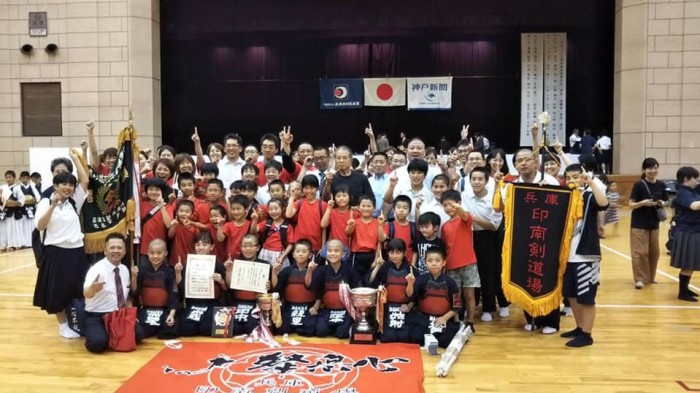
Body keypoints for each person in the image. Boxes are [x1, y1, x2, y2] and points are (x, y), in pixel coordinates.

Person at [33, 150, 90, 339]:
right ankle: (63, 325)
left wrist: (76, 157)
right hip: (56, 252)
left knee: (77, 288)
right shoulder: (44, 202)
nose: (68, 187)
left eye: (70, 184)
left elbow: (85, 180)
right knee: (57, 290)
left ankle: (77, 321)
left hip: (76, 252)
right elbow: (40, 226)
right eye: (63, 184)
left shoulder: (74, 202)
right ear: (55, 185)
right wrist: (52, 206)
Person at [559, 165, 608, 347]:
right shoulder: (566, 197)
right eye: (568, 177)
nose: (572, 181)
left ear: (583, 177)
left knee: (586, 297)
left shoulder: (588, 196)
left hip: (586, 255)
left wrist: (591, 182)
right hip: (568, 256)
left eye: (576, 177)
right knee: (571, 295)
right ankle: (580, 328)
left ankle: (587, 335)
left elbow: (603, 204)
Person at [82, 233, 145, 353]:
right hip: (97, 315)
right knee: (97, 344)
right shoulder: (96, 269)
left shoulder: (124, 270)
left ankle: (110, 333)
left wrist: (131, 317)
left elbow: (126, 298)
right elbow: (86, 294)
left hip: (118, 315)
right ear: (105, 250)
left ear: (125, 250)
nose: (116, 251)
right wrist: (93, 289)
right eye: (112, 248)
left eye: (119, 248)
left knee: (139, 335)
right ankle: (99, 331)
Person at [463, 167, 503, 322]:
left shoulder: (493, 198)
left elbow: (494, 225)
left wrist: (475, 219)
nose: (477, 182)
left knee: (488, 273)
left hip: (488, 238)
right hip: (469, 237)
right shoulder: (464, 196)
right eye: (474, 179)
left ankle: (488, 308)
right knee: (470, 273)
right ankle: (469, 307)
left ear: (487, 182)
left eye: (480, 179)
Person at [406, 246, 461, 348]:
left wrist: (445, 318)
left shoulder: (451, 282)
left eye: (437, 260)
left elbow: (457, 306)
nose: (434, 263)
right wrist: (410, 283)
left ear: (444, 263)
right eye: (430, 261)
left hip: (442, 318)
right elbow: (411, 296)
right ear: (425, 263)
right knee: (415, 337)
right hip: (424, 317)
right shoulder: (421, 279)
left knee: (446, 341)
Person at [440, 190, 479, 332]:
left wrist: (459, 208)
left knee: (469, 294)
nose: (449, 208)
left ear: (459, 203)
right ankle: (456, 320)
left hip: (468, 263)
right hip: (451, 265)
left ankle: (470, 321)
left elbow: (463, 214)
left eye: (451, 204)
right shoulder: (445, 226)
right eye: (445, 205)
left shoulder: (465, 218)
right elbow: (445, 246)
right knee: (455, 296)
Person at [178, 232, 228, 336]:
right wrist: (178, 272)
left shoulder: (217, 264)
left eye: (205, 245)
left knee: (207, 329)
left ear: (212, 247)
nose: (201, 248)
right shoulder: (188, 263)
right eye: (198, 245)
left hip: (211, 304)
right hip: (193, 303)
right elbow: (181, 287)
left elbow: (226, 289)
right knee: (186, 330)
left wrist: (221, 281)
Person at [628, 158, 668, 289]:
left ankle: (651, 277)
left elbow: (666, 201)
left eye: (655, 168)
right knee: (640, 252)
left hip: (654, 223)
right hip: (639, 223)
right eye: (650, 168)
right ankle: (639, 278)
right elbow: (631, 205)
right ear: (644, 170)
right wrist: (643, 203)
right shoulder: (639, 185)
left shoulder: (661, 185)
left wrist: (662, 203)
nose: (653, 171)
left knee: (654, 253)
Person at [309, 239, 362, 338]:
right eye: (330, 251)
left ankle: (345, 326)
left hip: (345, 310)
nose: (332, 253)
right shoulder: (321, 270)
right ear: (326, 253)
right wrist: (316, 307)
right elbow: (317, 290)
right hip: (328, 309)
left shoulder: (350, 270)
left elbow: (357, 289)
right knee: (320, 331)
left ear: (343, 254)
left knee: (342, 333)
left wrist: (357, 310)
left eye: (336, 251)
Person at [368, 239, 415, 343]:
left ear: (404, 253)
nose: (395, 256)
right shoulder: (385, 267)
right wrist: (377, 267)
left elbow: (417, 294)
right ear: (388, 253)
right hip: (387, 307)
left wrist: (409, 306)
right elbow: (371, 283)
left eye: (398, 252)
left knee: (405, 337)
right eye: (391, 252)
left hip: (404, 307)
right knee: (387, 338)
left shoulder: (410, 269)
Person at [131, 239, 179, 339]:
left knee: (171, 329)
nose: (155, 256)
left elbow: (173, 294)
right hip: (146, 309)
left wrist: (171, 314)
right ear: (147, 253)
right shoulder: (142, 270)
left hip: (164, 310)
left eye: (159, 253)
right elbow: (135, 292)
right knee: (137, 332)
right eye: (152, 253)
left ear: (165, 253)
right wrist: (134, 277)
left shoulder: (169, 271)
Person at [271, 239, 319, 335]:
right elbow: (276, 287)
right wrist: (274, 272)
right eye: (297, 251)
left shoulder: (315, 271)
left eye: (304, 252)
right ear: (293, 254)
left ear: (310, 255)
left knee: (310, 329)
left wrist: (316, 306)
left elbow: (319, 291)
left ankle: (298, 328)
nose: (300, 254)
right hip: (290, 306)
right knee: (280, 329)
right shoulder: (287, 270)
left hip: (308, 306)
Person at [670, 167, 700, 302]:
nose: (697, 180)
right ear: (687, 179)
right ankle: (682, 292)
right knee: (687, 263)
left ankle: (685, 288)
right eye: (695, 178)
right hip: (687, 232)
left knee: (691, 262)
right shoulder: (683, 193)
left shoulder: (691, 191)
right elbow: (694, 206)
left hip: (694, 231)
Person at [346, 195, 386, 280]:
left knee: (371, 281)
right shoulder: (355, 222)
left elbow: (381, 239)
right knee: (357, 281)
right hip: (357, 256)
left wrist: (380, 225)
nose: (366, 208)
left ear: (374, 208)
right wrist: (350, 226)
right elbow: (347, 234)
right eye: (363, 206)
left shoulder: (378, 222)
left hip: (372, 255)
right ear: (359, 208)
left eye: (369, 206)